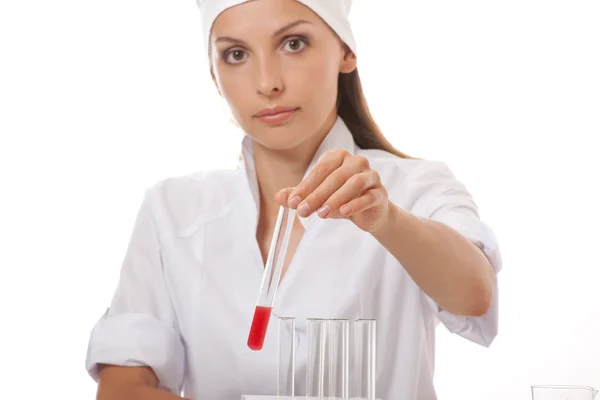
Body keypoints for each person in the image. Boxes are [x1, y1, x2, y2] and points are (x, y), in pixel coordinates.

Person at [84, 0, 502, 399]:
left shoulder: (416, 186)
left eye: (293, 43)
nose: (267, 83)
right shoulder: (173, 210)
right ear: (213, 73)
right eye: (235, 54)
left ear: (345, 51)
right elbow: (122, 389)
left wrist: (387, 220)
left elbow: (473, 294)